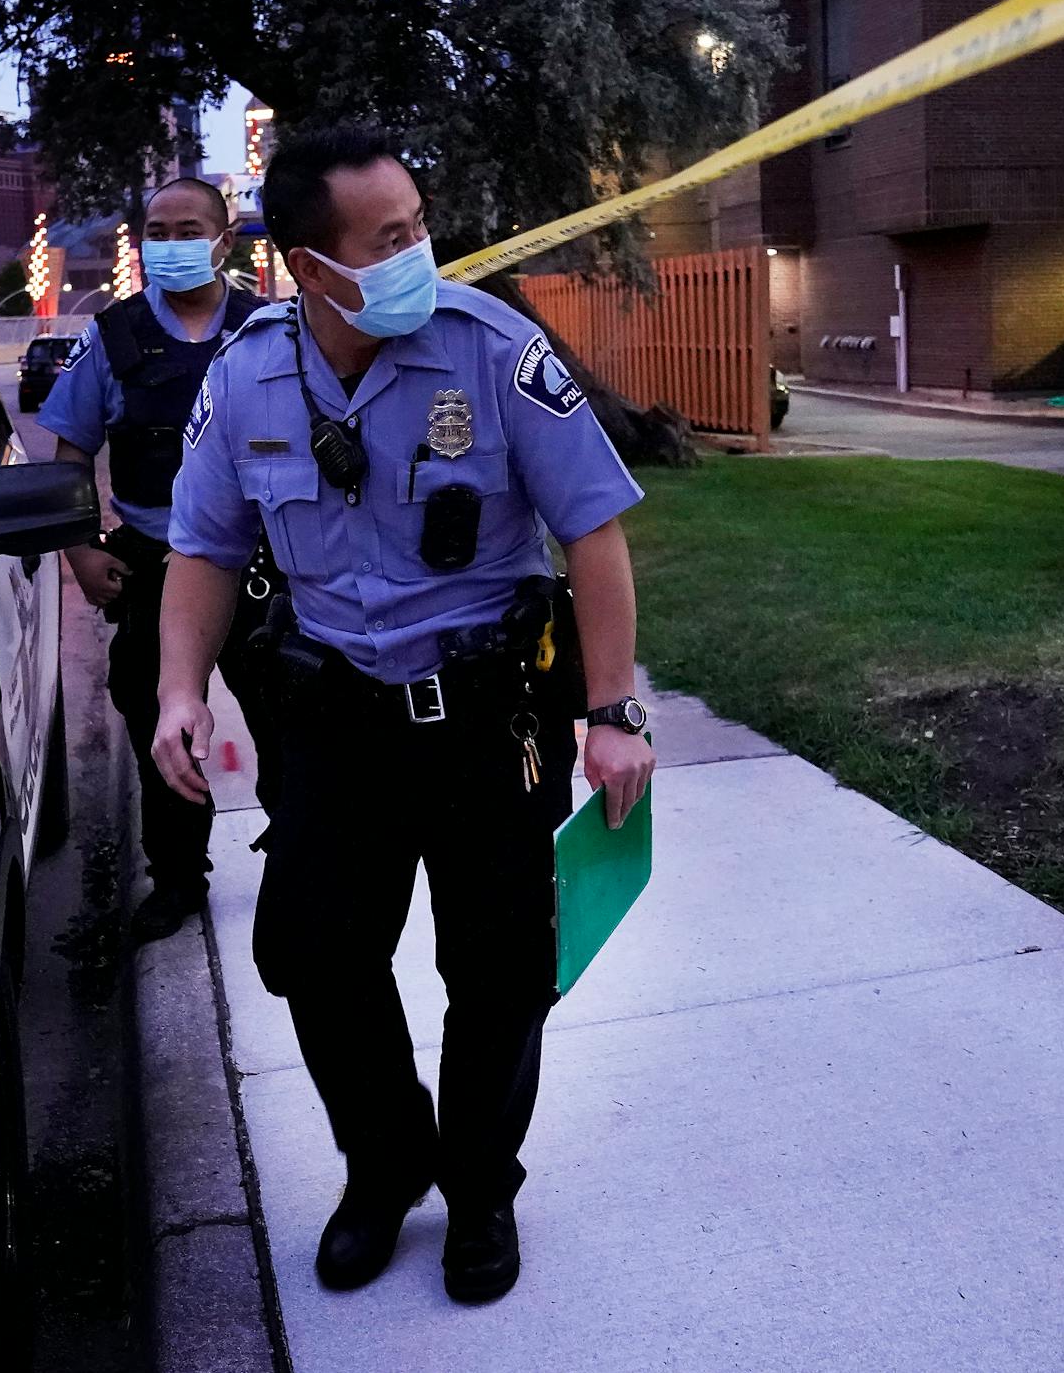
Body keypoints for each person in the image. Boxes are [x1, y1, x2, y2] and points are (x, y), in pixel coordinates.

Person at [150, 126, 656, 1305]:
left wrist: (613, 706)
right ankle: (385, 1168)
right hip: (333, 724)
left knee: (499, 970)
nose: (416, 254)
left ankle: (481, 1188)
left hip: (484, 719)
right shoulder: (245, 379)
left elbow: (593, 531)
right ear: (306, 268)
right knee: (315, 958)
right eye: (388, 241)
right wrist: (179, 688)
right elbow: (204, 548)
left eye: (418, 227)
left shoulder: (493, 352)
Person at [38, 175, 276, 942]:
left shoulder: (268, 329)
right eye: (157, 229)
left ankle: (301, 842)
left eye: (187, 228)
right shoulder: (110, 337)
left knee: (292, 715)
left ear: (225, 238)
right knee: (162, 723)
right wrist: (79, 551)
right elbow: (70, 453)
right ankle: (178, 879)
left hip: (265, 563)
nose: (168, 244)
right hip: (153, 559)